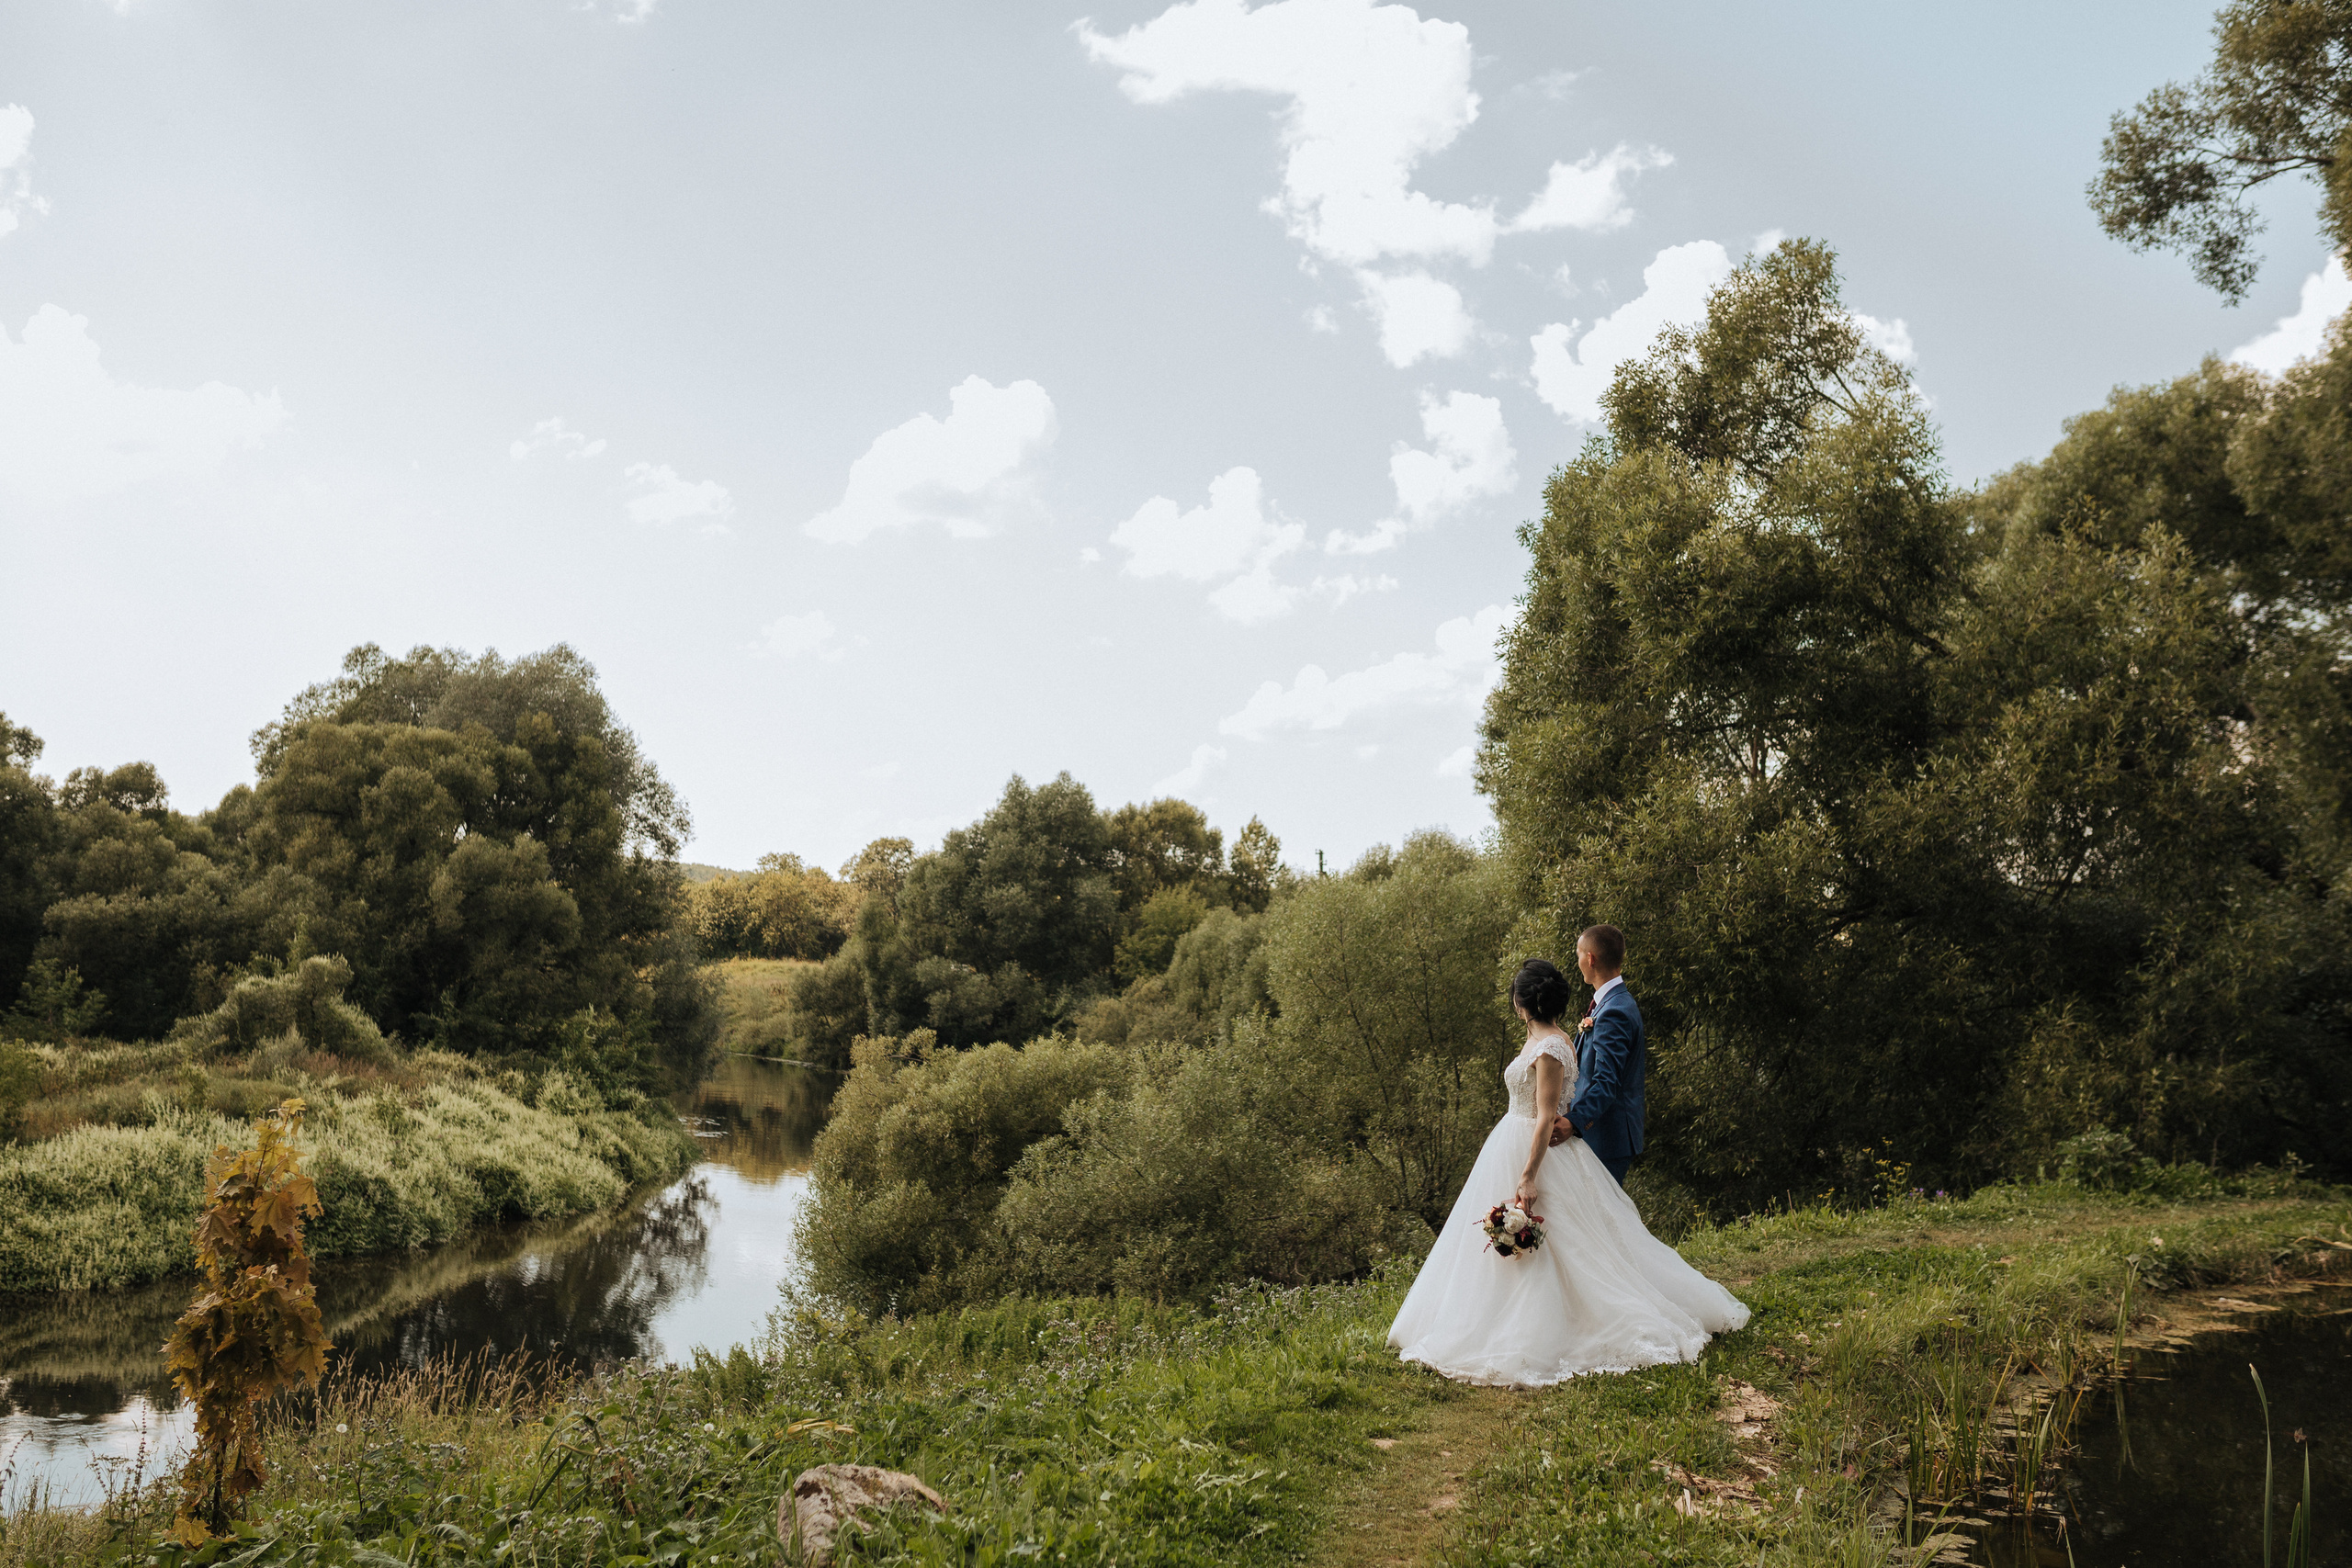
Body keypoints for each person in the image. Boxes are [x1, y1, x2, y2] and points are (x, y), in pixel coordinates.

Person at [1385, 936, 1748, 1388]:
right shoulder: (1552, 1035)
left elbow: (1556, 1108)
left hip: (1542, 1147)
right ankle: (1501, 1316)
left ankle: (1553, 1326)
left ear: (1522, 1003)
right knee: (1562, 1240)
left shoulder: (1562, 1040)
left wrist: (1535, 1165)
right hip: (1519, 1141)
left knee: (1571, 1242)